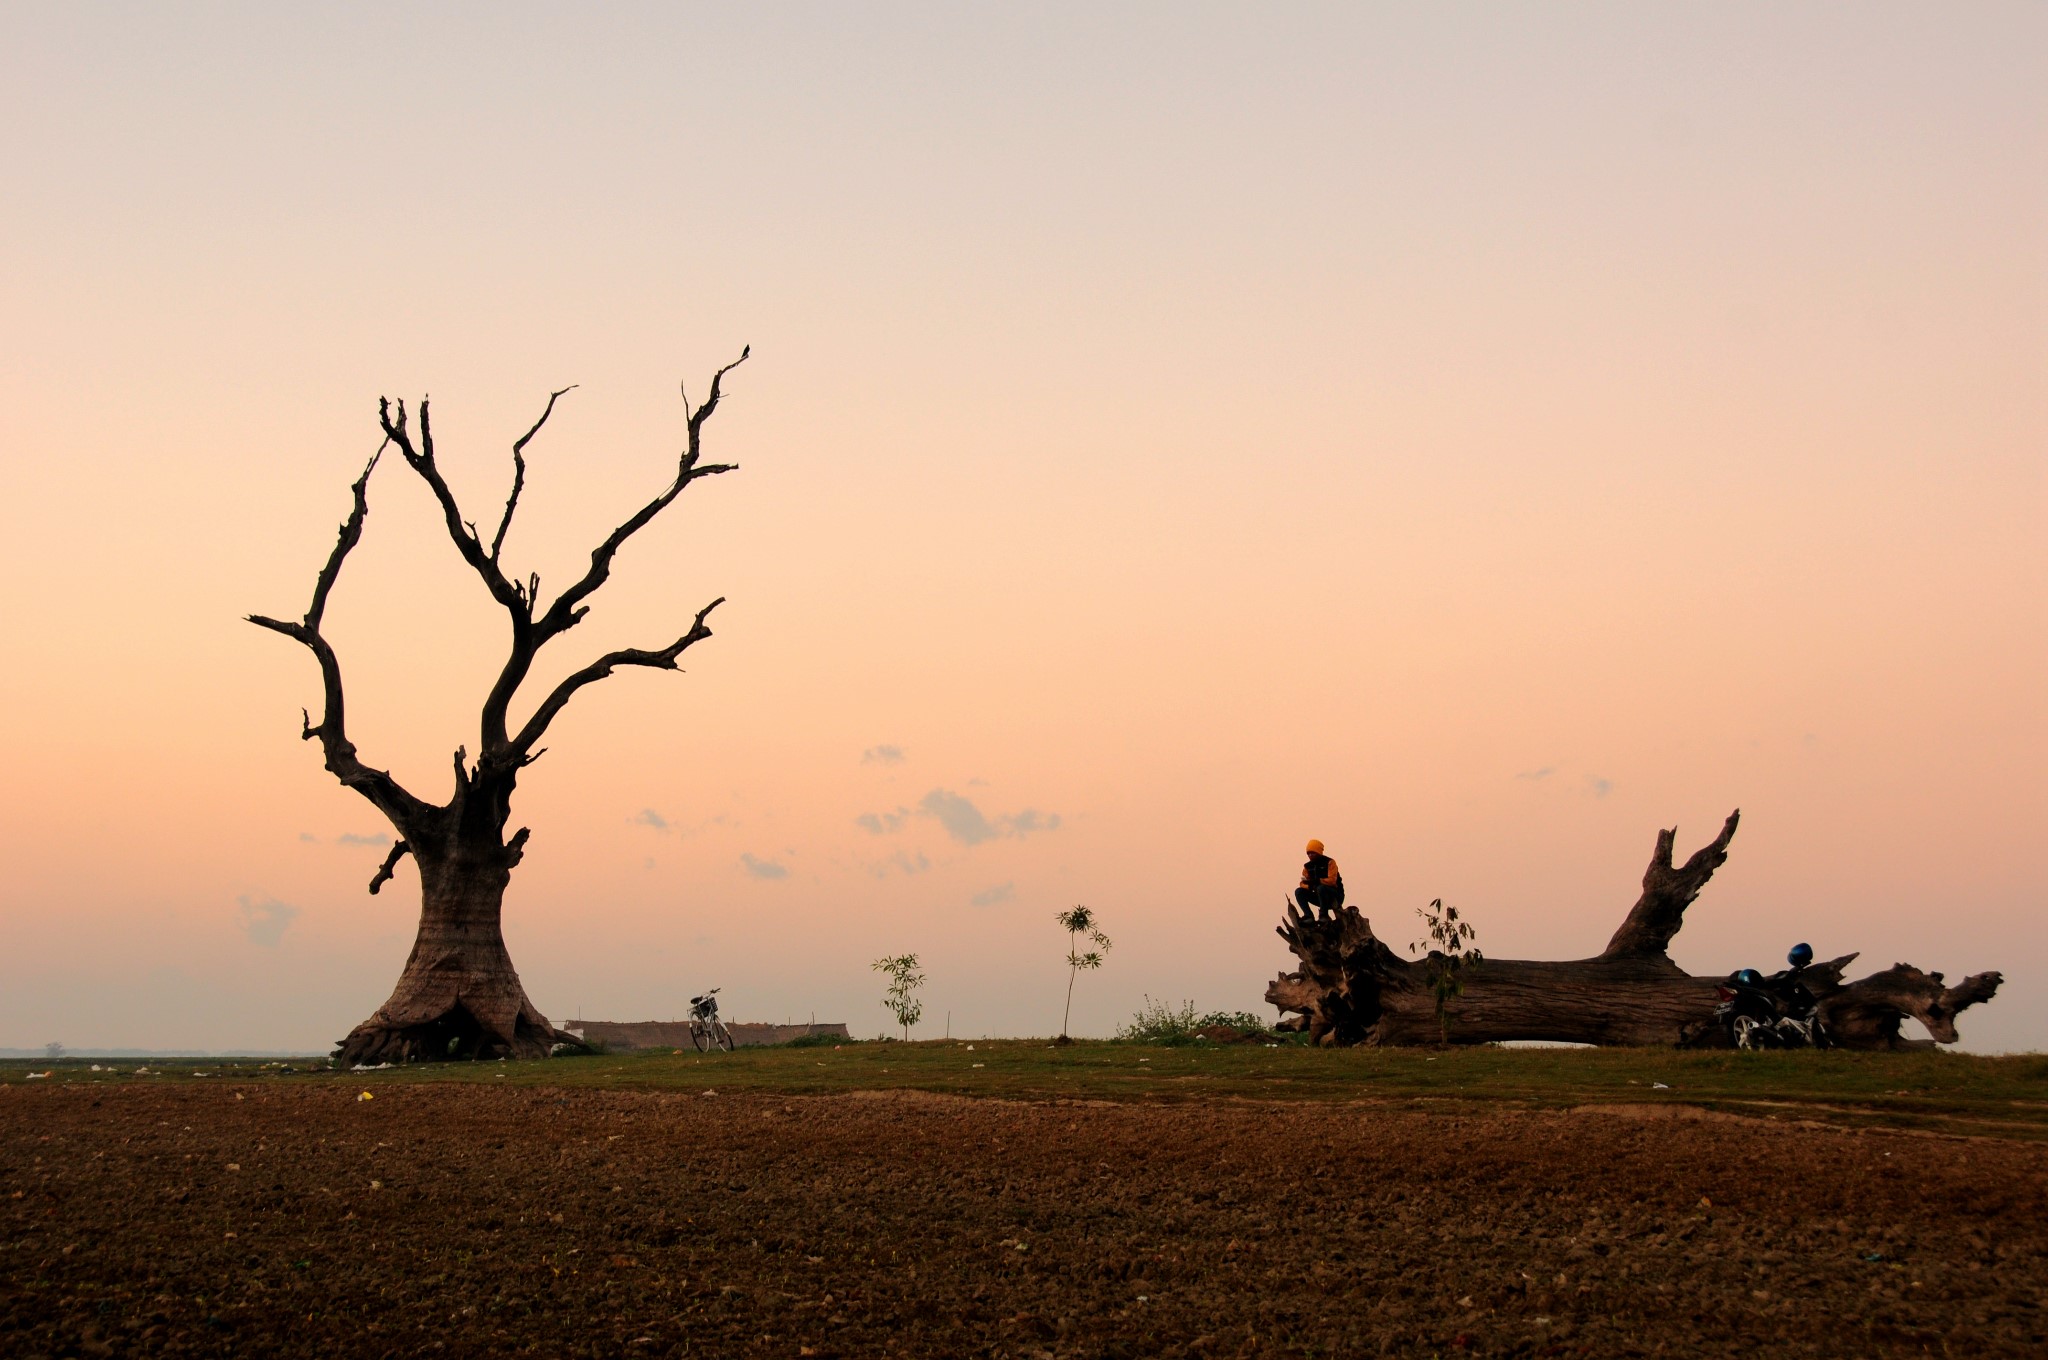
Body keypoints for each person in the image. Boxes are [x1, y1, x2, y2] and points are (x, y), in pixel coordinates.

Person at [1296, 839, 1345, 916]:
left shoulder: (1330, 862)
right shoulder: (1307, 866)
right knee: (1299, 891)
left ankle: (1323, 915)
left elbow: (1332, 881)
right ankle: (1308, 916)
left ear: (1319, 852)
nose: (1310, 855)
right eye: (1308, 853)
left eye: (1313, 853)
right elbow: (1302, 883)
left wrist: (1318, 881)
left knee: (1321, 888)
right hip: (1319, 896)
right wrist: (1310, 886)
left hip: (1335, 896)